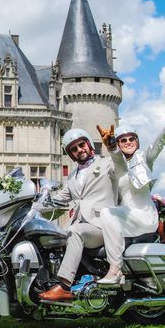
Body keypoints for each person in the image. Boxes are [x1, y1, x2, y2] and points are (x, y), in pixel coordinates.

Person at [95, 96, 165, 285]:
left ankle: (115, 269)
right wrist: (111, 148)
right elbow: (118, 165)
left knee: (107, 214)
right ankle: (114, 271)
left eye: (131, 138)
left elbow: (161, 140)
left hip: (144, 216)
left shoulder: (145, 159)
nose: (128, 142)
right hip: (127, 217)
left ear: (137, 141)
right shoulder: (115, 166)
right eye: (122, 140)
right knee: (104, 217)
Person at [39, 128, 126, 301]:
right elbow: (58, 199)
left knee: (76, 232)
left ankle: (64, 286)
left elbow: (121, 167)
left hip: (103, 225)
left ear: (89, 144)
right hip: (82, 225)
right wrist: (30, 205)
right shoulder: (72, 177)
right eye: (74, 149)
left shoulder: (106, 163)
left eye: (81, 145)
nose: (79, 150)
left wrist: (113, 147)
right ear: (71, 154)